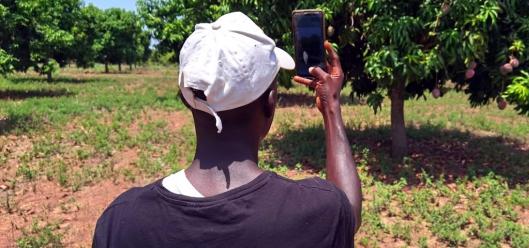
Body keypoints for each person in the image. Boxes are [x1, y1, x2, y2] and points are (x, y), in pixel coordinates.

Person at [93, 12, 361, 248]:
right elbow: (348, 213)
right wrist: (331, 107)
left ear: (188, 99)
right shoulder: (317, 211)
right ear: (270, 104)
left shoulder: (121, 221)